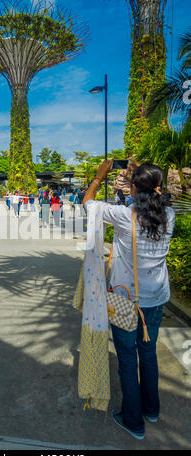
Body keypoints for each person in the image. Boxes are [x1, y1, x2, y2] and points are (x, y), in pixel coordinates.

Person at [83, 160, 175, 441]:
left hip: (125, 299)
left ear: (134, 188)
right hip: (156, 299)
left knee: (126, 358)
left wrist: (100, 177)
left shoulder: (124, 215)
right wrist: (142, 176)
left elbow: (88, 203)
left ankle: (133, 420)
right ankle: (151, 410)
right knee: (148, 354)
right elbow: (152, 198)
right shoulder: (169, 215)